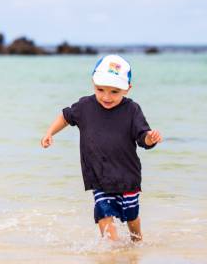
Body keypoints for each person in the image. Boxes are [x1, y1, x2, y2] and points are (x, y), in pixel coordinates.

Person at [41, 54, 162, 242]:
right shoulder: (84, 106)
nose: (106, 96)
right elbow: (65, 117)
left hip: (126, 175)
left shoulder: (132, 110)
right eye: (101, 89)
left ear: (127, 89)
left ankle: (137, 241)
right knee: (103, 212)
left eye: (115, 91)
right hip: (98, 175)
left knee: (131, 215)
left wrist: (150, 138)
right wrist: (50, 133)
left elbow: (142, 137)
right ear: (93, 83)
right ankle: (112, 252)